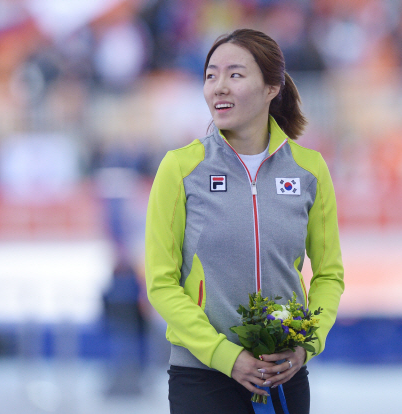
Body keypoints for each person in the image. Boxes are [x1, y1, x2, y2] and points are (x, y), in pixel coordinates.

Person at [144, 28, 344, 414]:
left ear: (272, 87)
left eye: (235, 74)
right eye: (210, 76)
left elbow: (329, 275)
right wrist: (224, 355)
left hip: (282, 375)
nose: (219, 87)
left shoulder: (310, 170)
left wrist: (304, 346)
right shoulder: (181, 168)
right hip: (201, 375)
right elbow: (161, 283)